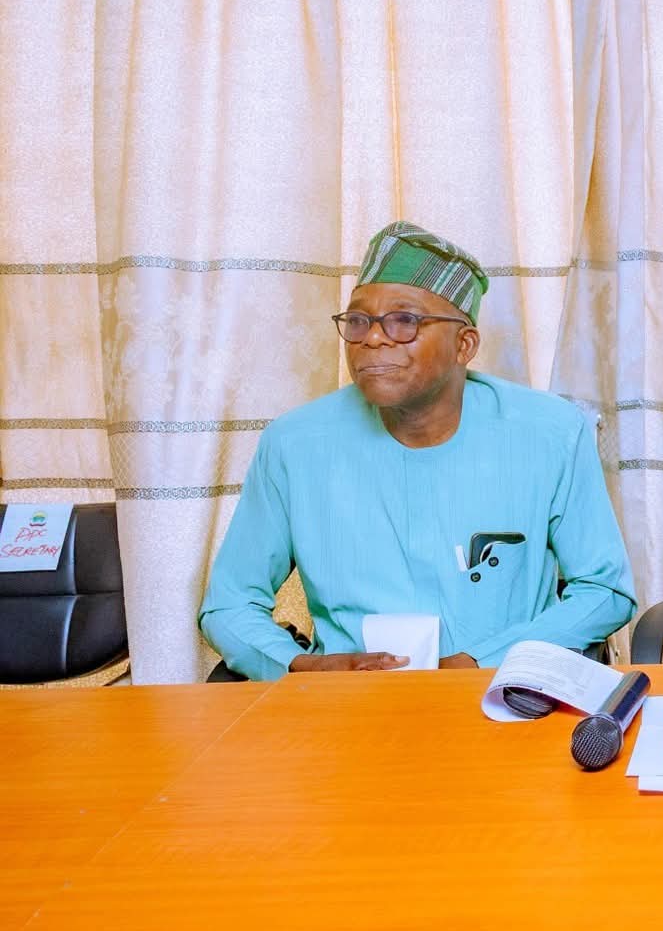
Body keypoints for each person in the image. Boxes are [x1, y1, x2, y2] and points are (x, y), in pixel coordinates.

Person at [199, 222, 636, 679]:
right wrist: (304, 668)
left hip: (504, 693)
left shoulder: (550, 433)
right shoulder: (294, 444)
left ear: (463, 345)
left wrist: (479, 663)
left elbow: (605, 591)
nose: (372, 339)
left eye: (405, 321)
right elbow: (228, 605)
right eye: (358, 321)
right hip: (347, 712)